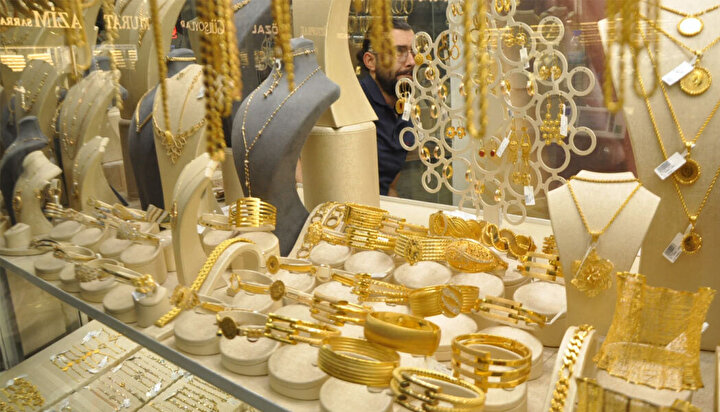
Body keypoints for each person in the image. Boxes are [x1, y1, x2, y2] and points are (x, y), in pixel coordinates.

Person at [357, 19, 415, 196]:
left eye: (413, 52)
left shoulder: (404, 105)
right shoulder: (354, 103)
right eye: (399, 51)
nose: (411, 61)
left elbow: (390, 185)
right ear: (370, 61)